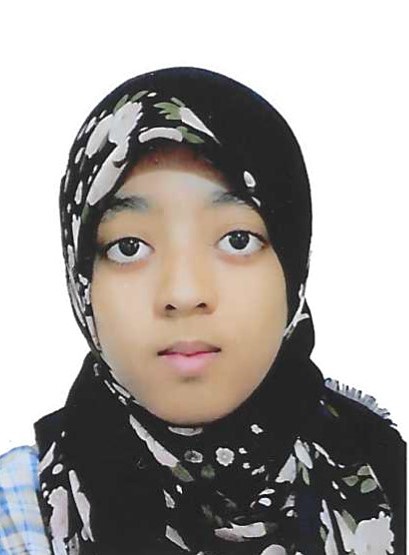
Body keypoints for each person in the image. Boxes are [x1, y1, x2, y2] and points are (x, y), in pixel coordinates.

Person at [0, 67, 405, 555]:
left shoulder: (391, 479)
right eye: (129, 247)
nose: (184, 292)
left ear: (293, 270)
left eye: (237, 239)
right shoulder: (20, 516)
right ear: (82, 280)